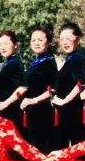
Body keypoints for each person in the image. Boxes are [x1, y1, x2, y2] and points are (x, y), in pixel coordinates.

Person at [19, 26, 58, 154]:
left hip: (43, 113)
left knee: (43, 151)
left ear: (48, 42)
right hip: (32, 114)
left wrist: (33, 100)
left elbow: (52, 89)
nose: (36, 43)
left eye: (40, 40)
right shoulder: (35, 62)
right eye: (33, 40)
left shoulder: (49, 62)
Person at [52, 22, 85, 148]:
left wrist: (64, 101)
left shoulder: (77, 58)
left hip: (73, 111)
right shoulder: (70, 58)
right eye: (62, 39)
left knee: (76, 145)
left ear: (77, 39)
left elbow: (80, 83)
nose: (64, 42)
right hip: (67, 111)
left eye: (68, 38)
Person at [0, 31, 26, 130]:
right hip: (6, 111)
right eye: (0, 44)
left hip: (12, 111)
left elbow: (23, 87)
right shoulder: (7, 62)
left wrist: (5, 103)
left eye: (6, 43)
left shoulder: (14, 63)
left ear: (15, 45)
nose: (2, 47)